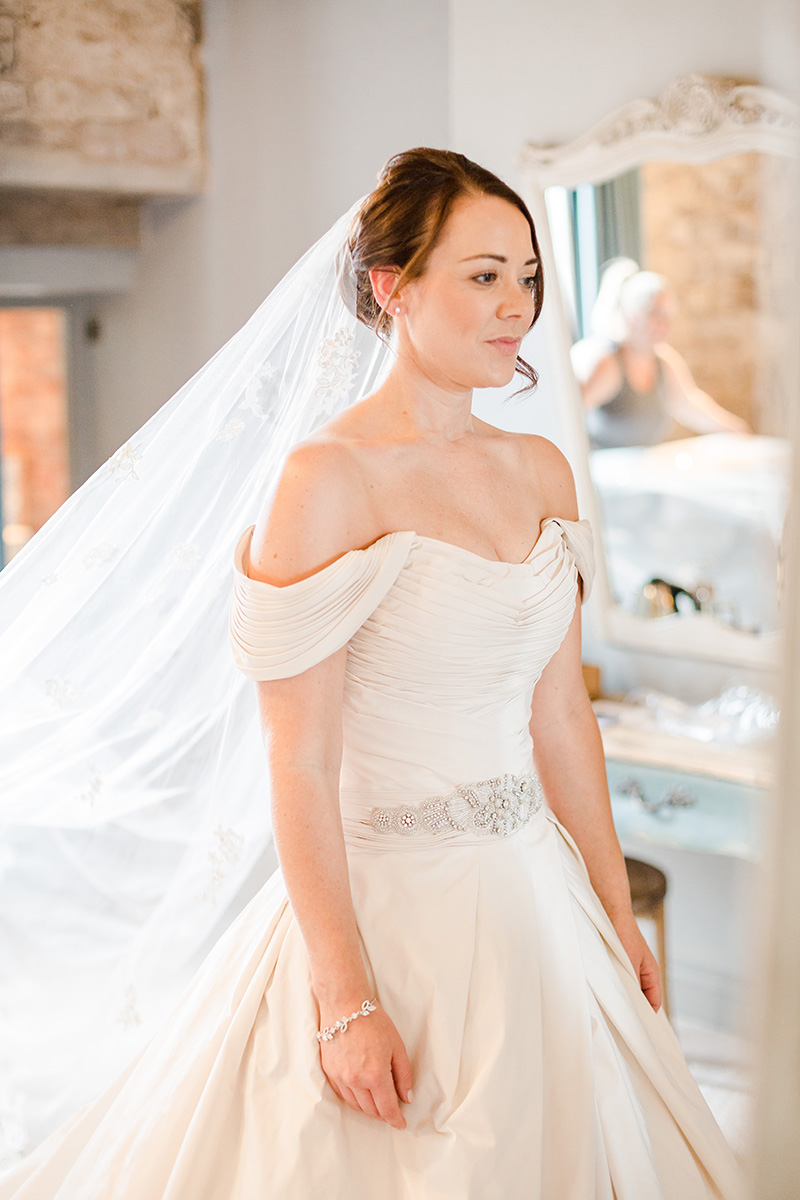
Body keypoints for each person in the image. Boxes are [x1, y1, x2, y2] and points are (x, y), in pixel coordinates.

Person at [0, 151, 743, 1199]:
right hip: (388, 909)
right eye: (482, 276)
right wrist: (343, 1000)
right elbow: (297, 762)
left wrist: (614, 911)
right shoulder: (325, 481)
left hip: (537, 895)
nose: (514, 306)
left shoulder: (540, 469)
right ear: (393, 287)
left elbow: (560, 713)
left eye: (526, 277)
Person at [571, 257, 752, 449]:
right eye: (654, 314)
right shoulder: (606, 364)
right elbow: (567, 415)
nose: (663, 326)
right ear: (629, 315)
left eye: (667, 317)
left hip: (639, 473)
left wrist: (737, 429)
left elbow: (690, 405)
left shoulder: (664, 362)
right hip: (603, 473)